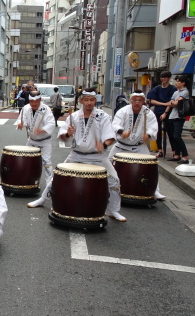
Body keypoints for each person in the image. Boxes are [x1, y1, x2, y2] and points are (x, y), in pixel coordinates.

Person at [28, 88, 126, 222]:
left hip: (97, 156)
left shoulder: (102, 116)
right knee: (56, 177)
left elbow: (111, 137)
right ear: (81, 101)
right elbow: (62, 137)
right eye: (86, 100)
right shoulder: (73, 117)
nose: (89, 103)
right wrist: (68, 133)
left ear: (95, 101)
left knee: (115, 180)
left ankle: (114, 210)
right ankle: (42, 199)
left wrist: (103, 145)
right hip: (76, 155)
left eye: (92, 100)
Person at [109, 90, 166, 200]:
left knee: (150, 166)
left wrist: (148, 136)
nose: (137, 102)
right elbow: (115, 124)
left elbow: (153, 127)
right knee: (108, 162)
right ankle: (106, 187)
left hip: (139, 146)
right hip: (121, 145)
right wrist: (122, 132)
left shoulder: (148, 113)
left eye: (139, 100)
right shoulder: (123, 111)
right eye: (134, 100)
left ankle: (155, 191)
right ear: (130, 100)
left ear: (143, 102)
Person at [17, 90, 56, 180]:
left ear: (40, 100)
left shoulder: (46, 109)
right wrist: (21, 124)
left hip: (44, 141)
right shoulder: (26, 108)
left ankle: (49, 184)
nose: (34, 104)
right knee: (27, 160)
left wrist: (42, 130)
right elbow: (21, 119)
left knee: (46, 162)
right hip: (31, 140)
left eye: (36, 102)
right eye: (31, 102)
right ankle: (28, 181)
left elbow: (51, 124)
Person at [162, 75, 191, 164]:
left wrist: (173, 102)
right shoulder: (176, 92)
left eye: (178, 81)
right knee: (173, 137)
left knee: (177, 136)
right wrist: (165, 113)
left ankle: (185, 156)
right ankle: (176, 155)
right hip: (172, 116)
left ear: (183, 83)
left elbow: (175, 103)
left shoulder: (185, 92)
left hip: (179, 117)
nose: (176, 82)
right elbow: (171, 103)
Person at [147, 71, 176, 157]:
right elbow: (151, 100)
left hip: (169, 112)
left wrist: (166, 111)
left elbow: (171, 102)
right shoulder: (157, 88)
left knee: (170, 132)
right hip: (157, 111)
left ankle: (174, 151)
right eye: (162, 77)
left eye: (165, 77)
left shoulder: (172, 89)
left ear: (169, 78)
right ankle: (159, 150)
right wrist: (164, 104)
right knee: (157, 131)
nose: (163, 79)